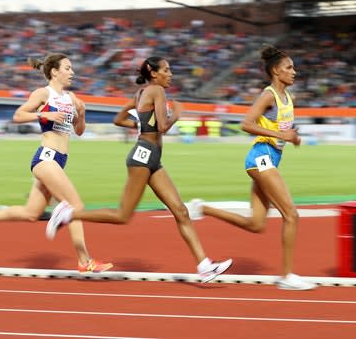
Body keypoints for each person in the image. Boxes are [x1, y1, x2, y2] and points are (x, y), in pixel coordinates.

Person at [46, 56, 232, 283]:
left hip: (152, 158)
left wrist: (142, 124)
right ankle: (68, 214)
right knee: (123, 215)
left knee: (181, 211)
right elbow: (163, 126)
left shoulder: (141, 93)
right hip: (143, 155)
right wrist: (177, 114)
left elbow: (118, 119)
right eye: (167, 69)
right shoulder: (156, 91)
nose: (171, 74)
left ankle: (204, 266)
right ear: (154, 73)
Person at [0, 53, 112, 273]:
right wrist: (44, 116)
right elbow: (18, 115)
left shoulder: (72, 98)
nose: (72, 72)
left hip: (59, 161)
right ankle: (84, 260)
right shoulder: (44, 93)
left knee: (31, 213)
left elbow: (79, 132)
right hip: (46, 158)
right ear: (54, 71)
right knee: (75, 206)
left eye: (72, 68)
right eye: (68, 68)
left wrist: (81, 114)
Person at [188, 44, 316, 290]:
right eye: (289, 67)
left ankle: (202, 208)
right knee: (291, 214)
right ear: (276, 71)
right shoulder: (269, 95)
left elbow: (282, 131)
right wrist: (281, 135)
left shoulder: (289, 97)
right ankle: (287, 276)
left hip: (269, 158)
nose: (294, 72)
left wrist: (292, 137)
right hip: (261, 157)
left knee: (256, 224)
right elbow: (246, 123)